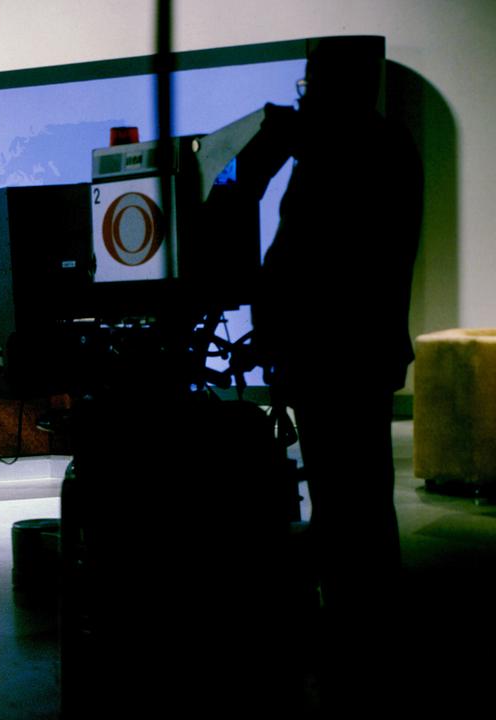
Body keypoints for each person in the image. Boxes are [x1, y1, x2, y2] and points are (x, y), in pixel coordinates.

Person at [233, 37, 422, 710]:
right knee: (360, 498)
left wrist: (262, 162)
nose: (304, 94)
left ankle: (356, 642)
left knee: (348, 501)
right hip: (356, 355)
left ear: (337, 85)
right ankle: (366, 632)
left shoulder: (342, 152)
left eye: (313, 81)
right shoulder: (384, 144)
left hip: (333, 356)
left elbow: (301, 256)